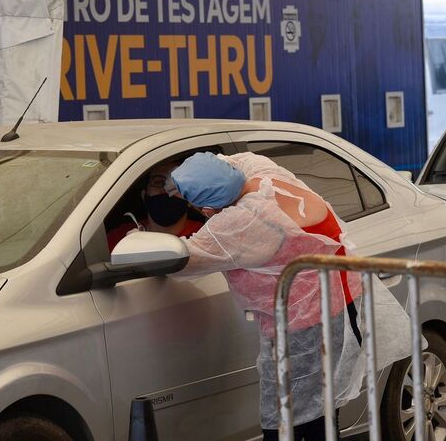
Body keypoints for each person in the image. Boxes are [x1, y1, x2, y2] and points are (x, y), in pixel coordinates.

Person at [166, 152, 411, 441]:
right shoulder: (263, 172)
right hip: (339, 301)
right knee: (321, 406)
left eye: (197, 206)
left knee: (286, 420)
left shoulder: (244, 220)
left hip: (305, 323)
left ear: (207, 208)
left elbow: (184, 258)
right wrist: (183, 178)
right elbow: (232, 159)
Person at [106, 161, 204, 250]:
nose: (166, 189)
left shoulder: (205, 235)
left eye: (175, 184)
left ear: (190, 199)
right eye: (158, 182)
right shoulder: (121, 236)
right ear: (144, 196)